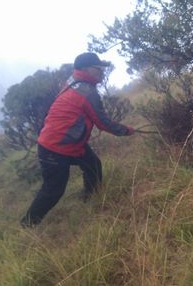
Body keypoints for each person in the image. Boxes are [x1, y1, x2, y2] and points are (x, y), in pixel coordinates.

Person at [20, 52, 134, 227]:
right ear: (87, 70)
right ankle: (27, 225)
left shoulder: (73, 82)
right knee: (53, 190)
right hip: (56, 147)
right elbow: (102, 122)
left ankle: (92, 199)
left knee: (93, 165)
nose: (102, 72)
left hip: (67, 143)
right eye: (98, 69)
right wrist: (126, 131)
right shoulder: (87, 92)